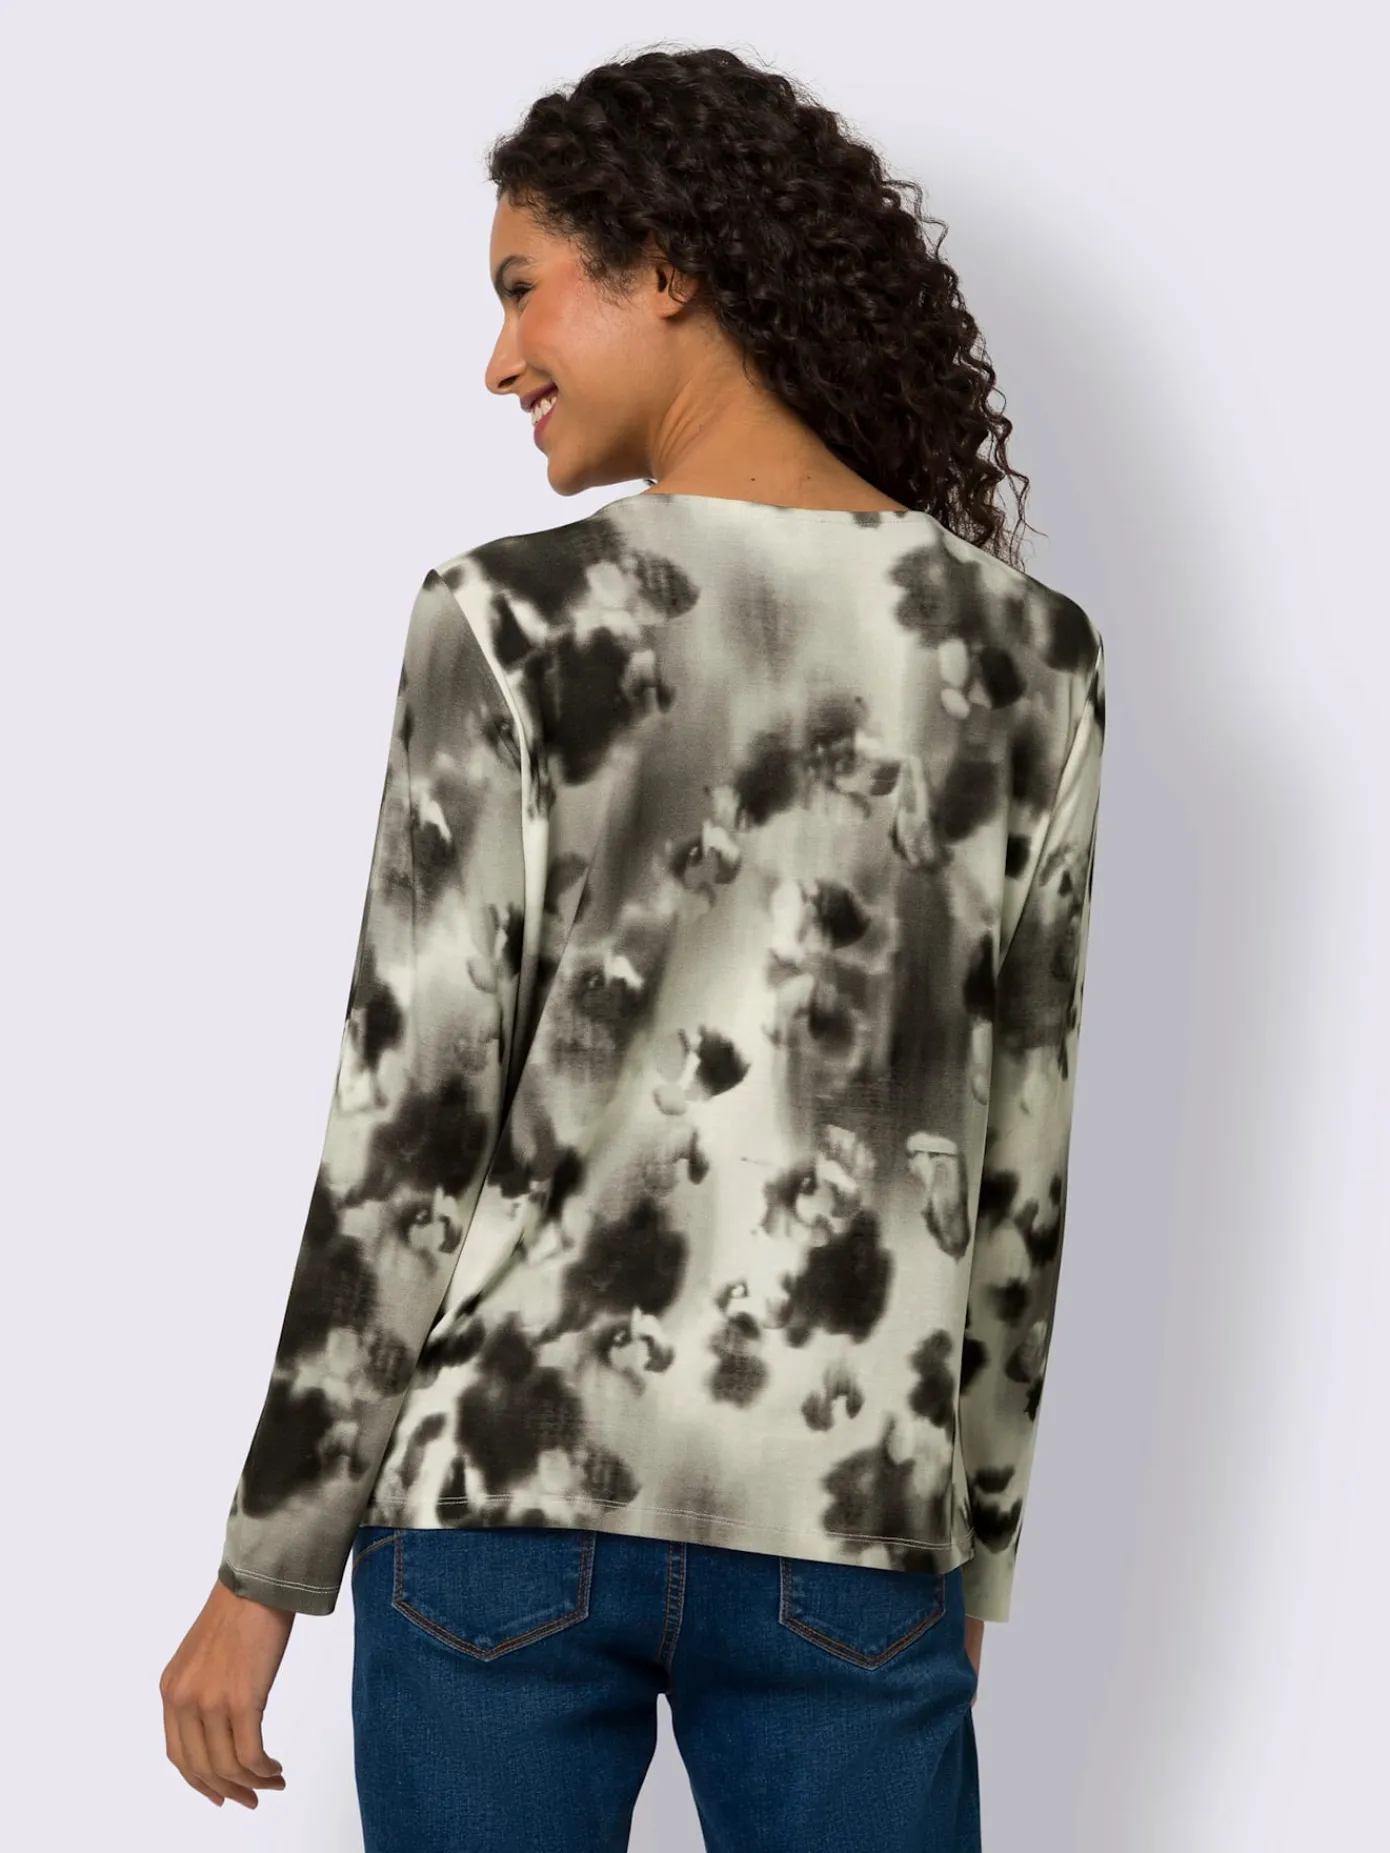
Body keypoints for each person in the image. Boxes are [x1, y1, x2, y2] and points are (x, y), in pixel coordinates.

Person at [160, 43, 1106, 1853]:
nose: (499, 357)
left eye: (524, 288)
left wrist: (263, 1569)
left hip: (498, 1515)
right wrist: (959, 1559)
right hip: (849, 1521)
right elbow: (1020, 1171)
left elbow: (405, 1129)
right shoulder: (1023, 656)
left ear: (664, 265)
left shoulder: (509, 620)